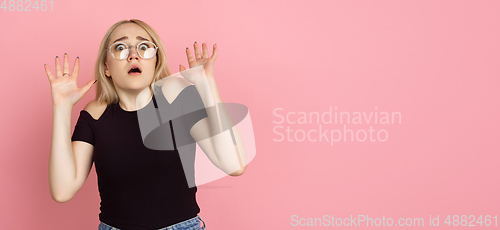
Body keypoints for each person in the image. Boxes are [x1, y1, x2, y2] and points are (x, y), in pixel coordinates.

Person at [45, 19, 248, 230]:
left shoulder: (177, 98)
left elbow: (235, 165)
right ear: (106, 67)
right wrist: (61, 107)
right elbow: (62, 191)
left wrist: (207, 84)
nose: (134, 54)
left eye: (144, 47)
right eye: (120, 48)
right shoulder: (95, 114)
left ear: (155, 62)